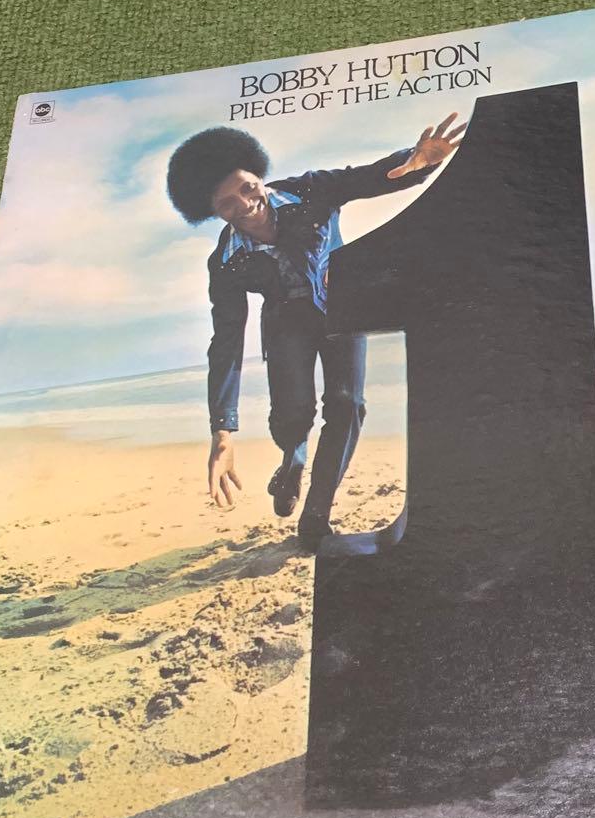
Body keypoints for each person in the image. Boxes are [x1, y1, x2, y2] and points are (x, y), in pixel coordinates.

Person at [166, 113, 465, 549]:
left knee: (347, 404)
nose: (245, 205)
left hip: (342, 308)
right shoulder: (226, 262)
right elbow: (226, 343)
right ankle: (293, 459)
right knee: (292, 416)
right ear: (212, 212)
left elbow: (366, 178)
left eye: (247, 188)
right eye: (227, 203)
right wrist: (222, 431)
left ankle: (316, 516)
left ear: (259, 176)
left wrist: (416, 163)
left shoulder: (308, 190)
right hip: (285, 323)